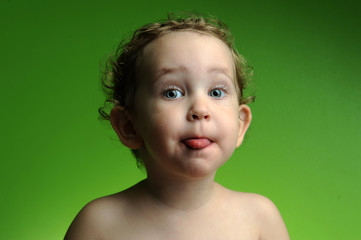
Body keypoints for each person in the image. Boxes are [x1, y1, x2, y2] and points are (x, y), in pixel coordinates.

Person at [65, 14, 290, 240]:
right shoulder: (99, 224)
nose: (200, 109)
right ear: (129, 126)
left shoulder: (259, 219)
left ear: (240, 124)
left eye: (216, 92)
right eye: (172, 93)